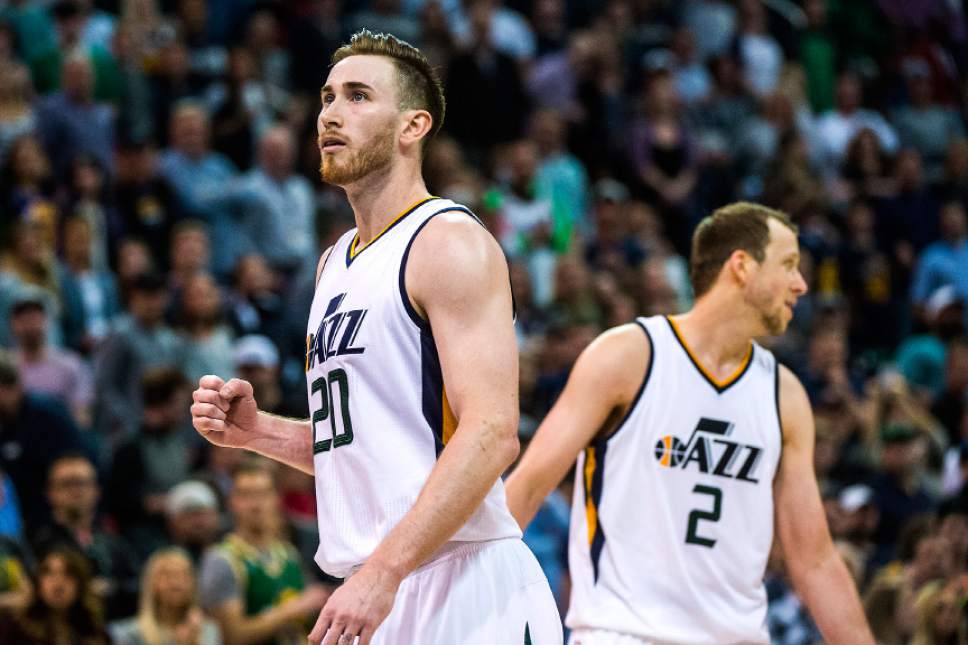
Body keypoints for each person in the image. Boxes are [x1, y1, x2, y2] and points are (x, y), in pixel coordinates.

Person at [191, 29, 561, 645]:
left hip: (463, 585)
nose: (331, 114)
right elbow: (373, 446)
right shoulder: (334, 261)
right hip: (379, 585)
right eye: (327, 97)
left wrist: (385, 571)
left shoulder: (448, 241)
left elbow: (493, 434)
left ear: (412, 126)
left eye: (358, 96)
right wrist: (259, 433)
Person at [505, 202, 875, 644]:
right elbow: (527, 486)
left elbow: (814, 561)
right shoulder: (630, 355)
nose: (801, 284)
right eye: (789, 265)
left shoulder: (784, 394)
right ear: (742, 266)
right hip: (625, 633)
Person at [197, 461, 326, 645]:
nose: (255, 504)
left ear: (276, 498)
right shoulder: (223, 559)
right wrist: (290, 610)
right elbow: (233, 637)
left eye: (263, 494)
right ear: (231, 501)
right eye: (246, 495)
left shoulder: (288, 553)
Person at [0, 546, 111, 645]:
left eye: (68, 574)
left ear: (80, 584)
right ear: (37, 582)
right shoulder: (17, 626)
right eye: (49, 573)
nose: (58, 584)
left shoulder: (92, 627)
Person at [110, 547, 221, 645]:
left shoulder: (207, 631)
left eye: (184, 575)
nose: (176, 583)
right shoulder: (126, 634)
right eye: (167, 575)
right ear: (150, 583)